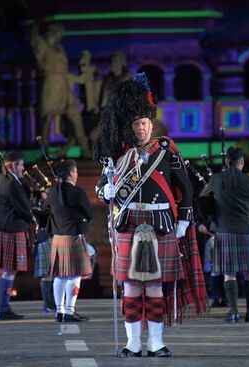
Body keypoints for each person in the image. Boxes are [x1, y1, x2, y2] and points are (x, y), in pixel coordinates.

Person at [93, 74, 207, 358]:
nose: (141, 129)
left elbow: (187, 187)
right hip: (129, 223)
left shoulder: (166, 149)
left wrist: (183, 220)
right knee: (131, 284)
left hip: (162, 224)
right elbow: (101, 187)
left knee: (156, 285)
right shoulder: (119, 154)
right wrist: (105, 190)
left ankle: (155, 342)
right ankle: (133, 343)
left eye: (145, 123)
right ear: (130, 127)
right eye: (136, 124)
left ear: (151, 124)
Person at [202, 146, 249, 323]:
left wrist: (213, 216)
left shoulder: (216, 180)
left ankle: (234, 313)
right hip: (246, 230)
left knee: (229, 273)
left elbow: (203, 200)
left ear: (227, 163)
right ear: (241, 162)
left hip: (224, 230)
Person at [43, 159, 93, 322]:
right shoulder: (78, 192)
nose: (77, 174)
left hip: (57, 239)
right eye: (76, 171)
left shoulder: (51, 192)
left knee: (60, 276)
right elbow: (89, 215)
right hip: (74, 238)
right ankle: (70, 311)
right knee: (74, 276)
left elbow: (45, 211)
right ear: (71, 173)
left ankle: (59, 311)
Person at [30, 23, 91, 158]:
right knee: (47, 118)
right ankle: (44, 151)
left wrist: (78, 78)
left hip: (64, 86)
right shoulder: (44, 46)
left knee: (75, 116)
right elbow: (34, 40)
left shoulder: (60, 49)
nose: (60, 36)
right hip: (51, 85)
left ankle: (86, 149)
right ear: (53, 32)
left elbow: (64, 71)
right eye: (58, 33)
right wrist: (35, 24)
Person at [0, 151, 32, 319]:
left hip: (6, 229)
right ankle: (4, 307)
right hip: (13, 229)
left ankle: (3, 305)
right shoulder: (12, 184)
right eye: (21, 165)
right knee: (10, 272)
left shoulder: (3, 180)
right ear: (13, 166)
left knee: (7, 271)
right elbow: (23, 208)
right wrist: (32, 216)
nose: (23, 168)